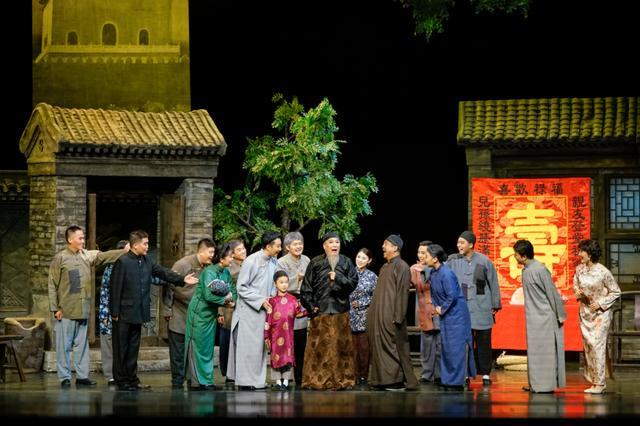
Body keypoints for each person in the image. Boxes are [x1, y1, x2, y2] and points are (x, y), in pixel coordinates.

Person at [110, 230, 198, 391]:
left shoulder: (146, 261)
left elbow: (163, 272)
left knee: (133, 348)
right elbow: (115, 287)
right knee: (121, 348)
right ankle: (121, 381)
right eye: (145, 243)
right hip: (123, 313)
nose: (147, 246)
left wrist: (181, 279)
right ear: (135, 245)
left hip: (138, 312)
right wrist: (114, 312)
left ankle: (132, 380)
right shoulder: (122, 262)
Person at [48, 226, 126, 388]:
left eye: (83, 238)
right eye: (80, 238)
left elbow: (104, 256)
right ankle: (64, 377)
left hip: (83, 309)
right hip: (66, 310)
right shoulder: (60, 258)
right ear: (70, 239)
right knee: (64, 346)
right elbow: (52, 284)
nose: (83, 241)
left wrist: (124, 252)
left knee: (82, 346)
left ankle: (82, 376)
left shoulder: (86, 255)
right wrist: (55, 308)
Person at [300, 232, 358, 390]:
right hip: (321, 312)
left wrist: (338, 278)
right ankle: (315, 380)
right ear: (324, 246)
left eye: (337, 242)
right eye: (331, 242)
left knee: (342, 348)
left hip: (340, 311)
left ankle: (343, 380)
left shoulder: (346, 262)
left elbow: (353, 284)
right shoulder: (316, 262)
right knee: (319, 348)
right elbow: (306, 288)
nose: (335, 245)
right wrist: (311, 307)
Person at [227, 233, 283, 390]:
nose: (280, 248)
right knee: (248, 347)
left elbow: (273, 284)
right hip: (249, 310)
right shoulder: (251, 261)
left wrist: (272, 299)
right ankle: (246, 382)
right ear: (268, 246)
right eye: (277, 246)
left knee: (259, 347)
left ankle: (257, 381)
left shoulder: (273, 261)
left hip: (264, 309)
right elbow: (241, 287)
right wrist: (260, 301)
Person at [447, 231, 501, 386]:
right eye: (458, 242)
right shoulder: (453, 260)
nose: (458, 245)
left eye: (462, 243)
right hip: (462, 307)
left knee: (484, 341)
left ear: (471, 244)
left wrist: (495, 304)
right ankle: (465, 373)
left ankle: (485, 373)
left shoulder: (484, 261)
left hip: (481, 306)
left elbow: (493, 283)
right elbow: (441, 272)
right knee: (464, 343)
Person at [513, 239, 566, 394]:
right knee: (534, 351)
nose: (515, 257)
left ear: (524, 256)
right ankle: (535, 384)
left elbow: (551, 292)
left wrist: (559, 315)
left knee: (546, 352)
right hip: (533, 317)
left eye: (516, 254)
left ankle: (545, 386)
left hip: (545, 317)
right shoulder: (526, 270)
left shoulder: (540, 269)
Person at [163, 238, 216, 389]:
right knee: (178, 350)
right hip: (180, 313)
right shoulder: (183, 264)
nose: (212, 255)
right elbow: (169, 286)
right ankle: (177, 382)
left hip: (199, 316)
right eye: (210, 252)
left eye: (213, 252)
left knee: (196, 350)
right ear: (201, 251)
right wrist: (167, 310)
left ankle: (195, 381)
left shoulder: (209, 267)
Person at [368, 235, 418, 391]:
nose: (383, 247)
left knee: (393, 347)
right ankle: (381, 380)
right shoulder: (385, 267)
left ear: (395, 248)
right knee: (379, 348)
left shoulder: (402, 266)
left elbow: (402, 293)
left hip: (392, 316)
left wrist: (398, 316)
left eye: (386, 244)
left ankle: (396, 380)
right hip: (380, 315)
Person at [424, 243, 476, 391]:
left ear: (435, 258)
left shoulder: (446, 273)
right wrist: (436, 307)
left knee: (455, 348)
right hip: (446, 314)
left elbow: (452, 295)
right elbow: (434, 293)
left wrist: (442, 309)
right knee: (446, 347)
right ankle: (448, 379)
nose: (424, 258)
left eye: (426, 256)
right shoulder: (433, 272)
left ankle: (456, 382)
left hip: (456, 314)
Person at [184, 243, 235, 390]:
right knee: (198, 347)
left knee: (207, 348)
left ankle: (207, 380)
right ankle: (198, 382)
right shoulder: (209, 272)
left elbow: (233, 290)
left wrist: (233, 300)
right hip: (199, 313)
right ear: (222, 258)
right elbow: (208, 295)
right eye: (230, 256)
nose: (232, 259)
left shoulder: (225, 272)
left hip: (210, 314)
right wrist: (226, 301)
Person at [573, 239, 620, 394]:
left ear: (590, 253)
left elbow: (616, 291)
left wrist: (600, 303)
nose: (579, 254)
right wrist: (578, 292)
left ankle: (600, 383)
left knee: (597, 345)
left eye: (582, 251)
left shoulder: (603, 272)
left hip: (600, 315)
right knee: (589, 345)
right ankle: (594, 380)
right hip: (585, 313)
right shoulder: (579, 269)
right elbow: (576, 284)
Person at [277, 231, 311, 385]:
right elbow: (279, 282)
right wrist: (296, 278)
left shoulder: (306, 260)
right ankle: (284, 376)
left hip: (302, 302)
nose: (299, 246)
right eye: (295, 244)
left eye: (300, 243)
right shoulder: (282, 262)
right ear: (287, 247)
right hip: (286, 303)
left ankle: (300, 376)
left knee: (300, 340)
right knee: (285, 341)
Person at [264, 271, 307, 390]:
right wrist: (266, 335)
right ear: (275, 284)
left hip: (288, 336)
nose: (284, 285)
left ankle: (286, 382)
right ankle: (278, 382)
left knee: (288, 358)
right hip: (275, 335)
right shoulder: (272, 301)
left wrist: (310, 311)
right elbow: (268, 319)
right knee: (275, 357)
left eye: (286, 282)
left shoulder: (293, 300)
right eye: (281, 282)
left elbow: (299, 313)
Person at [98, 239, 130, 386]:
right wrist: (105, 314)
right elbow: (105, 293)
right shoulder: (111, 269)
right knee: (108, 341)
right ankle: (110, 374)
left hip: (125, 311)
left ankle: (123, 373)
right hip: (109, 311)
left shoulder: (131, 266)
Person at [410, 240, 441, 385]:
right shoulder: (414, 270)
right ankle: (427, 374)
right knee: (427, 344)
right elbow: (406, 284)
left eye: (424, 253)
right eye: (419, 252)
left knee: (440, 344)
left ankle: (440, 374)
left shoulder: (438, 268)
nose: (421, 255)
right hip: (424, 310)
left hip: (439, 309)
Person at [217, 239, 245, 382]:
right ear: (232, 254)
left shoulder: (247, 264)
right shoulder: (229, 267)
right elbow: (220, 289)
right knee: (227, 340)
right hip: (228, 308)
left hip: (242, 306)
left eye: (243, 248)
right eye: (239, 250)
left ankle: (238, 370)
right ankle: (227, 371)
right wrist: (220, 312)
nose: (243, 251)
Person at [349, 248, 377, 387]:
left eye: (363, 258)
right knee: (351, 347)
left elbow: (376, 296)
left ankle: (363, 376)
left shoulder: (372, 276)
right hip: (349, 314)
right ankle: (352, 374)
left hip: (364, 315)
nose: (360, 260)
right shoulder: (349, 273)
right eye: (358, 256)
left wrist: (362, 302)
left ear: (369, 261)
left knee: (364, 348)